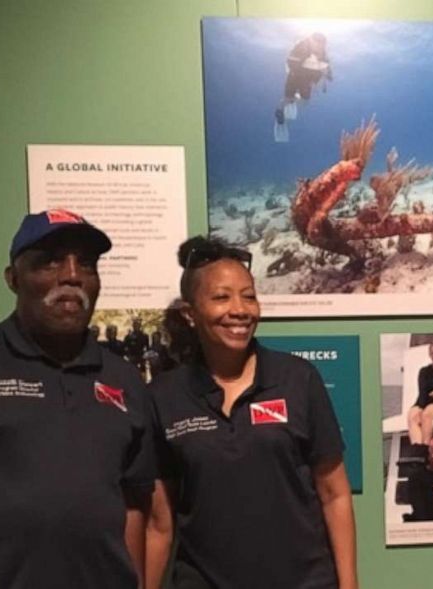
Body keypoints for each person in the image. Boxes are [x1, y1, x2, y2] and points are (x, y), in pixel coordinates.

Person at [145, 236, 357, 589]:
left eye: (249, 295)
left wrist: (349, 586)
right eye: (221, 297)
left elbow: (335, 494)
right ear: (189, 313)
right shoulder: (163, 396)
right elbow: (158, 524)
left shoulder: (297, 379)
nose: (240, 309)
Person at [0, 209, 153, 588]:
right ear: (13, 278)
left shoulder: (125, 379)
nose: (71, 275)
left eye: (85, 263)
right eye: (49, 261)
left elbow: (134, 504)